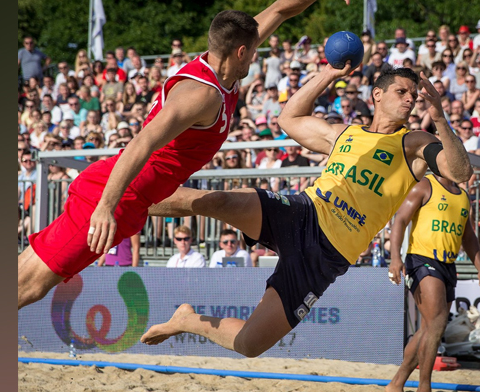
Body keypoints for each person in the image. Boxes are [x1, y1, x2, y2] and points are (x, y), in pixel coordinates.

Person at [139, 64, 473, 358]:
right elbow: (288, 118)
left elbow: (460, 172)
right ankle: (132, 200)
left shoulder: (415, 143)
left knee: (249, 344)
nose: (411, 99)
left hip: (326, 258)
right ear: (377, 95)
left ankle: (187, 320)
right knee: (220, 201)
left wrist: (439, 118)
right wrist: (328, 74)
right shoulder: (345, 133)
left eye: (414, 94)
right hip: (304, 214)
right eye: (402, 91)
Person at [18, 0, 328, 310]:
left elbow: (280, 9)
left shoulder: (223, 63)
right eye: (252, 51)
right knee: (29, 286)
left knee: (26, 274)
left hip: (136, 195)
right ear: (241, 52)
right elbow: (142, 142)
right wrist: (105, 207)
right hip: (117, 197)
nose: (256, 55)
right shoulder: (202, 95)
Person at [385, 173, 480, 392]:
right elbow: (400, 219)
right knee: (437, 321)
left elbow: (468, 236)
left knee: (429, 327)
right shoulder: (425, 185)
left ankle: (396, 383)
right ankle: (424, 389)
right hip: (421, 259)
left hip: (448, 264)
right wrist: (395, 257)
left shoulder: (463, 196)